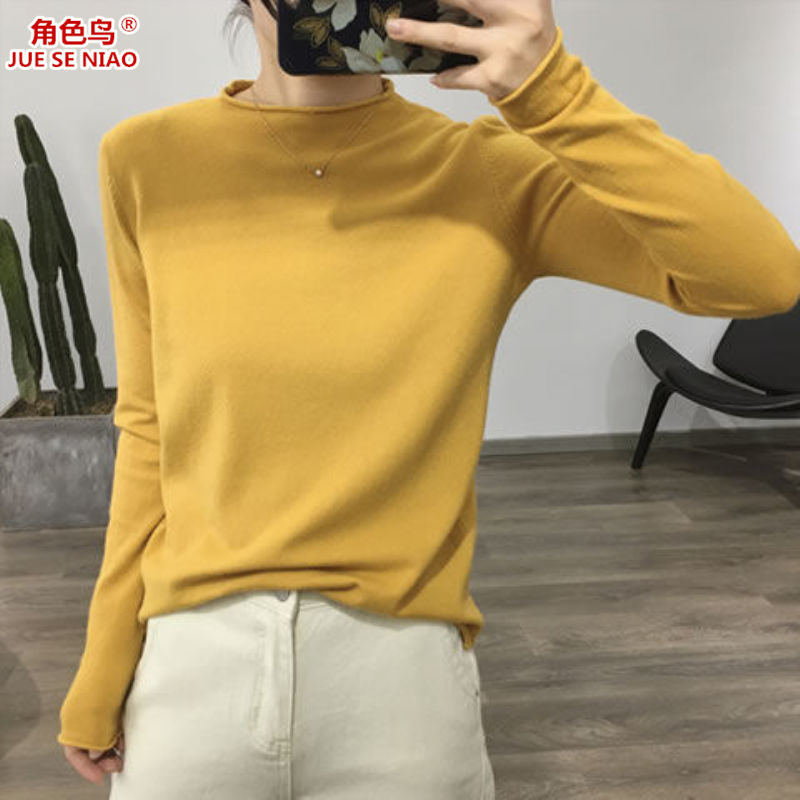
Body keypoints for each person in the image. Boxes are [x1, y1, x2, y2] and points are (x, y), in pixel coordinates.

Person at [58, 0, 800, 796]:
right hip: (190, 663)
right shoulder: (147, 158)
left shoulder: (486, 171)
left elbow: (758, 278)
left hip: (401, 672)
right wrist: (104, 663)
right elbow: (150, 425)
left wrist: (552, 91)